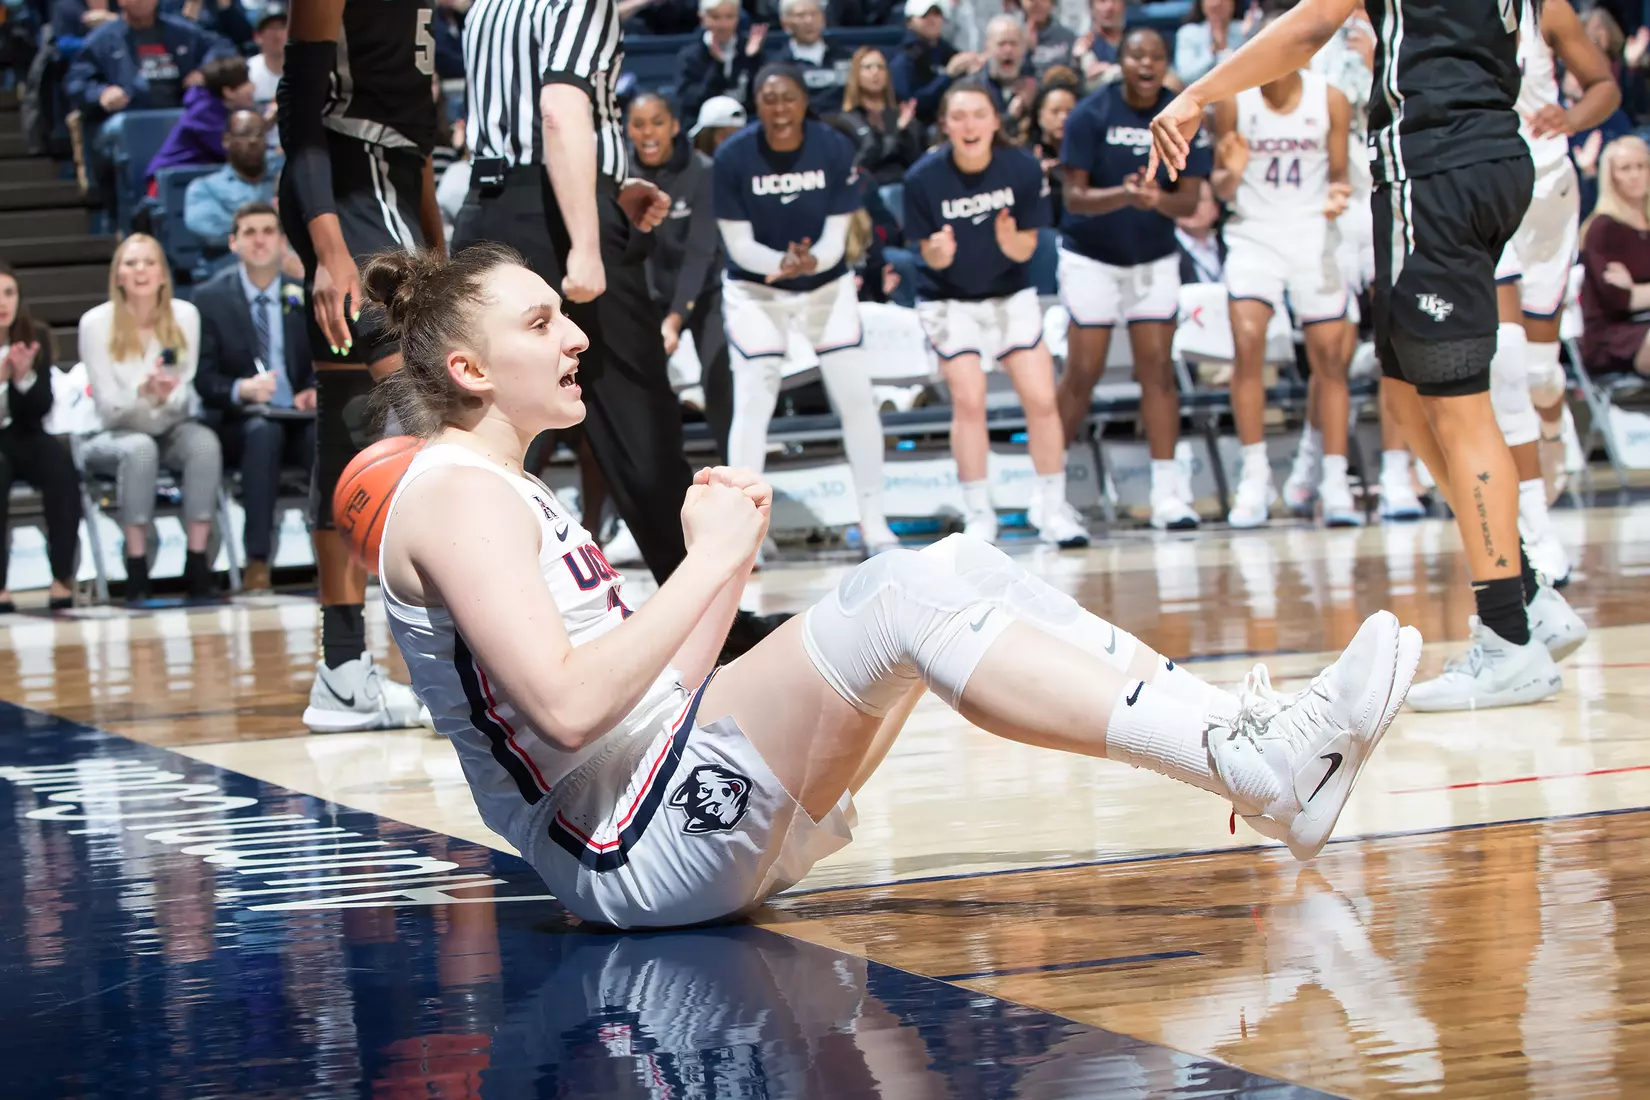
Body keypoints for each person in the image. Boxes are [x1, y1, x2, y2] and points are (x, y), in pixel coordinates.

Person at [367, 241, 1422, 931]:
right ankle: (1262, 765)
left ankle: (1252, 745)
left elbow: (648, 700)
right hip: (623, 849)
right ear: (469, 370)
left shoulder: (496, 487)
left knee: (947, 567)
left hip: (660, 801)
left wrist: (726, 567)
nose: (577, 336)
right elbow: (565, 706)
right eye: (543, 322)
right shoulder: (457, 496)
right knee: (904, 602)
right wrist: (702, 564)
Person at [1147, 0, 1591, 710]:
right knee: (1408, 394)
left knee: (1459, 409)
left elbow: (1308, 27)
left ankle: (1508, 642)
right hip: (1484, 159)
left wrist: (1198, 91)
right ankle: (1527, 595)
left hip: (1437, 168)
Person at [276, 0, 442, 731]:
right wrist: (331, 248)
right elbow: (298, 108)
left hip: (395, 183)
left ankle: (342, 671)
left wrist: (432, 234)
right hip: (351, 183)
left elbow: (416, 109)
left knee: (348, 428)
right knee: (434, 420)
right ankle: (470, 665)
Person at [714, 63, 898, 554]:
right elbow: (737, 242)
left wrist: (814, 260)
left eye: (788, 97)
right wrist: (781, 263)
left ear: (802, 101)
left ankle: (874, 521)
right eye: (769, 99)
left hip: (825, 284)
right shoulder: (733, 155)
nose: (779, 108)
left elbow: (839, 232)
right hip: (757, 289)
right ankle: (743, 533)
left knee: (856, 397)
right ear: (757, 104)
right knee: (754, 402)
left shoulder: (831, 146)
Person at [904, 82, 1088, 548]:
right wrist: (940, 253)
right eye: (959, 116)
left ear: (994, 122)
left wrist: (1011, 243)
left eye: (978, 115)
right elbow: (929, 254)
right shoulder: (922, 180)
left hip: (1010, 294)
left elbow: (1028, 245)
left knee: (1042, 398)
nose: (969, 125)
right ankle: (979, 514)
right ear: (944, 124)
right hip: (949, 298)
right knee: (969, 401)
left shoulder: (1022, 168)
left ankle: (1051, 506)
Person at [1056, 28, 1209, 531]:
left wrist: (1155, 201)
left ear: (1166, 62)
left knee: (1158, 372)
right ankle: (1049, 493)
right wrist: (1123, 195)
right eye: (1136, 55)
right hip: (1092, 257)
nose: (1146, 64)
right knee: (1083, 372)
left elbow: (1188, 202)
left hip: (1153, 257)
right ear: (1120, 61)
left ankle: (1168, 494)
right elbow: (1074, 199)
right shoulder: (1089, 115)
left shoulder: (1184, 113)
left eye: (1156, 56)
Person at [1488, 0, 1618, 586]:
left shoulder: (1547, 9)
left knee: (1538, 373)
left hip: (1548, 189)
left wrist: (1572, 117)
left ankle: (1551, 416)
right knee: (1507, 363)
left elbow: (1604, 88)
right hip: (1484, 182)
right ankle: (1538, 532)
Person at [1209, 42, 1360, 527]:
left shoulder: (1330, 98)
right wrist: (1229, 175)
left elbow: (1338, 177)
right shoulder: (1234, 99)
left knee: (1331, 360)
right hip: (1254, 232)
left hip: (1312, 232)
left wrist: (1339, 197)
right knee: (1247, 344)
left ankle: (1335, 481)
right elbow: (1221, 186)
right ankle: (1255, 478)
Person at [78, 235, 223, 605]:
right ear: (118, 276)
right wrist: (145, 394)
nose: (139, 269)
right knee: (140, 450)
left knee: (205, 443)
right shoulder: (95, 323)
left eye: (148, 262)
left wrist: (164, 397)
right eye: (130, 263)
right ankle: (137, 565)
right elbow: (109, 408)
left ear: (162, 274)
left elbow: (183, 393)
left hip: (169, 425)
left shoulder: (185, 315)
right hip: (110, 434)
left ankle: (197, 562)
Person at [193, 202, 317, 592]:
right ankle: (257, 560)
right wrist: (240, 389)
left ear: (283, 242)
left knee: (323, 435)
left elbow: (322, 358)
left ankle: (331, 552)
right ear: (233, 243)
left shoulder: (303, 292)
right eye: (249, 232)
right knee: (263, 433)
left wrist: (314, 388)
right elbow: (202, 376)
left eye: (268, 231)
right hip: (240, 420)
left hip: (296, 417)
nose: (259, 239)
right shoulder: (209, 297)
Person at [629, 93, 732, 462]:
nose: (648, 133)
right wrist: (654, 310)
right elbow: (631, 250)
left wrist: (675, 318)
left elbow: (701, 252)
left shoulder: (703, 171)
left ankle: (733, 469)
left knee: (720, 379)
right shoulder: (622, 174)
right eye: (638, 124)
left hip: (705, 292)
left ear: (674, 126)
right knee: (648, 389)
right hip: (649, 295)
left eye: (657, 122)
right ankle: (663, 474)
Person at [63, 0, 233, 214]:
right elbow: (77, 82)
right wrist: (101, 93)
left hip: (182, 125)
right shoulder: (102, 39)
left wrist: (206, 71)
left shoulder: (181, 30)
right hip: (130, 126)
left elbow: (222, 47)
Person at [0, 262, 81, 612]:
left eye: (8, 293)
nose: (2, 302)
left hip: (24, 432)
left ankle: (62, 576)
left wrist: (22, 379)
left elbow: (40, 407)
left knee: (60, 466)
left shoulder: (36, 337)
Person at [1580, 135, 1650, 378]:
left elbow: (1633, 295)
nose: (1634, 175)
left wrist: (1638, 291)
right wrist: (1631, 294)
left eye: (1641, 166)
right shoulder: (1603, 228)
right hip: (1613, 336)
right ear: (1610, 176)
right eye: (1625, 168)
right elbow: (1619, 299)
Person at [182, 108, 281, 266]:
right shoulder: (204, 188)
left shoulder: (282, 180)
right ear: (226, 140)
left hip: (284, 266)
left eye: (259, 134)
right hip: (228, 268)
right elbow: (210, 234)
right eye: (244, 134)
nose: (253, 141)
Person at [143, 54, 254, 184]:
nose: (253, 87)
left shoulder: (227, 109)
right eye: (246, 82)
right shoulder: (203, 113)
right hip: (170, 182)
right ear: (228, 91)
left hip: (199, 178)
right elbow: (234, 153)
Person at [837, 46, 923, 186]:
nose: (875, 72)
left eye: (880, 67)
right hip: (871, 188)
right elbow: (861, 165)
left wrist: (908, 131)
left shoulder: (897, 112)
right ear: (856, 74)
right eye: (868, 67)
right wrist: (897, 130)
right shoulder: (849, 119)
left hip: (905, 182)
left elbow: (915, 160)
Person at [675, 0, 767, 125]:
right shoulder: (689, 56)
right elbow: (690, 102)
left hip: (745, 124)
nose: (724, 25)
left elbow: (757, 100)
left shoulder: (750, 50)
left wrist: (752, 60)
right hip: (703, 127)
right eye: (716, 17)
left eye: (730, 17)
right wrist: (717, 66)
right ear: (703, 18)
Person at [892, 0, 976, 126]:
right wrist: (948, 75)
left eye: (937, 14)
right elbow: (912, 104)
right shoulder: (904, 59)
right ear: (909, 22)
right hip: (921, 127)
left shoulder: (943, 49)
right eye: (925, 15)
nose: (932, 20)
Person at [773, 0, 854, 116]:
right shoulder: (778, 66)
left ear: (823, 19)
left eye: (814, 14)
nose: (809, 21)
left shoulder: (846, 57)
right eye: (801, 16)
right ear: (786, 24)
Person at [1175, 0, 1247, 85]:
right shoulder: (1188, 33)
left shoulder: (1245, 31)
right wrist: (1212, 52)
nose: (1217, 3)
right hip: (1203, 92)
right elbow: (1186, 76)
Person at [246, 4, 285, 107]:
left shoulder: (304, 70)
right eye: (271, 28)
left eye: (282, 27)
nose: (278, 35)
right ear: (257, 36)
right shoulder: (248, 71)